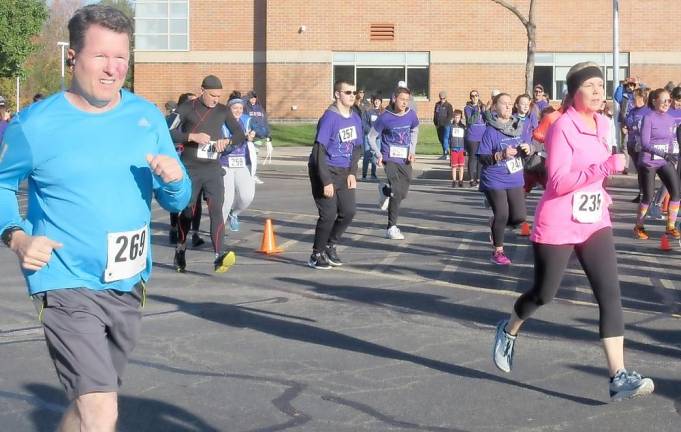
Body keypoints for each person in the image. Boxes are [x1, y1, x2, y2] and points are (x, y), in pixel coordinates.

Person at [0, 5, 192, 431]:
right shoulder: (36, 125)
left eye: (121, 57)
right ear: (74, 56)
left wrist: (177, 180)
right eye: (101, 56)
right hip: (66, 282)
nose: (112, 69)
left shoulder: (145, 118)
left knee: (91, 402)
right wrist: (16, 237)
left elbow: (177, 201)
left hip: (127, 282)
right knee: (102, 409)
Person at [492, 62, 654, 402]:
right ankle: (508, 330)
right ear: (573, 92)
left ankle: (617, 376)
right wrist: (605, 167)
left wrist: (605, 180)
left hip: (594, 219)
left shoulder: (605, 123)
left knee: (610, 295)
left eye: (601, 85)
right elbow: (558, 181)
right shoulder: (562, 126)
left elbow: (595, 174)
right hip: (559, 220)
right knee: (543, 294)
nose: (597, 91)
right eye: (590, 86)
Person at [169, 75, 246, 273]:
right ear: (202, 90)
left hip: (212, 170)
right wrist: (191, 136)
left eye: (219, 96)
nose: (215, 99)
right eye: (212, 95)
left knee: (216, 211)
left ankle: (218, 255)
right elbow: (167, 131)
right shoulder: (187, 108)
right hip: (190, 169)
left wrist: (227, 142)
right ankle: (181, 248)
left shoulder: (222, 111)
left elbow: (239, 134)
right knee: (188, 212)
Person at [307, 80, 362, 269]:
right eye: (348, 92)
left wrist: (352, 172)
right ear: (337, 94)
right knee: (328, 214)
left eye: (354, 92)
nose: (352, 96)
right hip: (324, 169)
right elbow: (319, 151)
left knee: (348, 211)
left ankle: (330, 245)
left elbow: (357, 148)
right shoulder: (329, 117)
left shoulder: (355, 117)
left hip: (344, 171)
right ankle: (316, 254)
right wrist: (326, 181)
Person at [477, 93, 531, 265]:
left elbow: (529, 145)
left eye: (510, 104)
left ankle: (495, 223)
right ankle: (498, 252)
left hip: (514, 177)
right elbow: (482, 157)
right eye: (504, 104)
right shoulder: (490, 131)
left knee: (519, 217)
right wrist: (500, 154)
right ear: (495, 107)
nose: (508, 107)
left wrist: (528, 148)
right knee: (502, 213)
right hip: (494, 178)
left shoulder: (518, 126)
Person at [369, 86, 420, 240]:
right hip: (389, 158)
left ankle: (384, 190)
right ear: (394, 98)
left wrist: (412, 150)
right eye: (402, 99)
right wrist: (378, 154)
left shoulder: (411, 114)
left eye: (407, 100)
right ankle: (391, 227)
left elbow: (415, 130)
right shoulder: (385, 117)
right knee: (396, 190)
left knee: (402, 193)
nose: (405, 103)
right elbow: (371, 137)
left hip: (405, 158)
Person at [632, 88, 680, 240]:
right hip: (649, 162)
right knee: (648, 196)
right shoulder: (648, 118)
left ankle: (670, 226)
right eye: (664, 100)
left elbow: (671, 138)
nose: (667, 103)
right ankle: (639, 226)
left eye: (669, 100)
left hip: (664, 160)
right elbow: (645, 143)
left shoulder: (670, 119)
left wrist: (672, 153)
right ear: (654, 101)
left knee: (676, 192)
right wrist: (664, 153)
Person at [220, 97, 257, 232]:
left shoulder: (246, 120)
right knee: (226, 199)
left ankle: (234, 213)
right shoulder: (221, 122)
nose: (238, 111)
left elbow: (261, 128)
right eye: (235, 108)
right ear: (229, 109)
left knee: (247, 196)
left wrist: (253, 135)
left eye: (240, 108)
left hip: (242, 162)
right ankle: (220, 229)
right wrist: (233, 140)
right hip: (225, 163)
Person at [167, 92, 197, 245]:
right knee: (176, 196)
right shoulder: (175, 118)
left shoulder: (197, 118)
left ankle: (195, 233)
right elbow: (168, 134)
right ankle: (174, 228)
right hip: (177, 160)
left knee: (194, 199)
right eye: (191, 102)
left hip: (193, 163)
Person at [623, 88, 650, 203]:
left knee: (645, 171)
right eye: (633, 98)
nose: (633, 100)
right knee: (639, 171)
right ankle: (641, 193)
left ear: (643, 98)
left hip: (644, 146)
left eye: (636, 98)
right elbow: (627, 123)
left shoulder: (649, 111)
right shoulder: (632, 111)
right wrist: (625, 127)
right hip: (633, 144)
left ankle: (647, 194)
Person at [464, 90, 486, 187]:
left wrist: (485, 110)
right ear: (470, 97)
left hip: (482, 136)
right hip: (472, 136)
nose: (474, 97)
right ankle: (472, 179)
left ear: (478, 96)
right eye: (472, 96)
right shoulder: (467, 108)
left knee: (480, 158)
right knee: (473, 157)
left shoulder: (483, 107)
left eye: (476, 95)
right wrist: (477, 110)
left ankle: (478, 178)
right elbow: (471, 120)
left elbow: (486, 118)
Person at [361, 95, 382, 180]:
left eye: (379, 100)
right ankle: (364, 174)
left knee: (375, 156)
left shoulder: (382, 113)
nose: (377, 102)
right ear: (373, 101)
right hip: (368, 137)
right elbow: (364, 123)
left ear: (380, 102)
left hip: (377, 138)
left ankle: (373, 174)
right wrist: (370, 132)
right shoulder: (368, 112)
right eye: (376, 100)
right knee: (367, 155)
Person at [433, 91, 453, 159]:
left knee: (445, 139)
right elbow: (435, 114)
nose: (442, 100)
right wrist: (435, 123)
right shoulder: (437, 105)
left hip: (446, 125)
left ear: (445, 98)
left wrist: (445, 123)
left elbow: (450, 116)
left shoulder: (448, 105)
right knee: (441, 139)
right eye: (441, 98)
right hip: (439, 125)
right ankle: (444, 153)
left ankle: (447, 154)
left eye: (443, 98)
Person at [450, 109, 466, 187]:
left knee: (461, 166)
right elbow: (448, 137)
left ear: (461, 118)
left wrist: (465, 148)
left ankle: (460, 180)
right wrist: (447, 146)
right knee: (454, 166)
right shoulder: (451, 126)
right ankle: (454, 181)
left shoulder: (463, 127)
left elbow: (465, 138)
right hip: (454, 149)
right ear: (453, 117)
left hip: (461, 148)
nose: (457, 119)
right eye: (456, 117)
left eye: (458, 117)